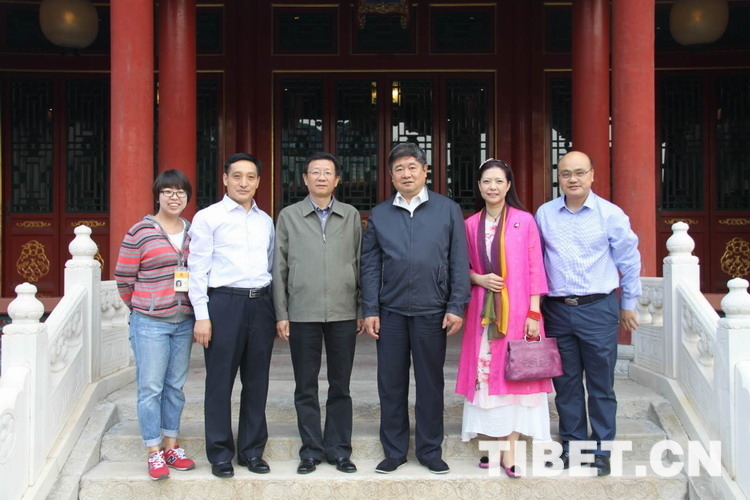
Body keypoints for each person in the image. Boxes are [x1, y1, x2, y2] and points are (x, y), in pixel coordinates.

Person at [361, 142, 471, 475]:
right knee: (390, 384)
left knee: (430, 384)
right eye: (399, 169)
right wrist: (370, 308)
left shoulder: (447, 209)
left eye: (412, 167)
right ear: (391, 175)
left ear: (425, 171)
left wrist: (456, 305)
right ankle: (394, 451)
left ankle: (429, 450)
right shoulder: (380, 214)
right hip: (391, 312)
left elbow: (459, 260)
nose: (406, 174)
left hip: (432, 311)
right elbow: (370, 265)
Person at [535, 150, 641, 477]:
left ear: (592, 175)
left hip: (598, 308)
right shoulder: (545, 214)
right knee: (565, 384)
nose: (573, 179)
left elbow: (629, 261)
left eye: (580, 172)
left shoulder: (611, 215)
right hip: (558, 310)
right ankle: (572, 446)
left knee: (600, 385)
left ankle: (603, 449)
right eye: (566, 173)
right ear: (559, 177)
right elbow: (535, 260)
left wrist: (629, 303)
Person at [455, 159, 552, 479]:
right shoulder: (471, 225)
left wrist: (534, 313)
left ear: (508, 185)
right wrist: (479, 279)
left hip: (519, 312)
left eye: (499, 181)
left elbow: (535, 268)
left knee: (512, 379)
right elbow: (462, 268)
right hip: (484, 315)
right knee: (486, 379)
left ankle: (509, 452)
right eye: (487, 181)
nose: (493, 187)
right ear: (479, 186)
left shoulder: (524, 221)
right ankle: (494, 447)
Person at [272, 152, 363, 475]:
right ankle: (310, 451)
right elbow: (279, 267)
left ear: (337, 179)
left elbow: (360, 262)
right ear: (305, 179)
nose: (321, 177)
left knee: (341, 385)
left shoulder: (350, 215)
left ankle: (339, 449)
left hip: (343, 312)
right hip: (302, 312)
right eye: (315, 172)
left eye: (327, 173)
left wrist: (361, 308)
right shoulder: (289, 216)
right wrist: (281, 312)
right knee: (305, 386)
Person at [188, 153, 276, 478]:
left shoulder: (265, 221)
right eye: (237, 176)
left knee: (257, 381)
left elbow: (270, 264)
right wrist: (202, 315)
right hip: (224, 304)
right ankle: (220, 453)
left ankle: (252, 451)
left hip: (260, 304)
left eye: (250, 177)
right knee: (220, 381)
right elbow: (197, 269)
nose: (243, 183)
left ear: (258, 182)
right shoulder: (208, 217)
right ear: (225, 179)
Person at [115, 169, 196, 480]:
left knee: (175, 386)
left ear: (187, 197)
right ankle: (153, 450)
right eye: (168, 192)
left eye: (180, 192)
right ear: (158, 195)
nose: (174, 198)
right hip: (150, 322)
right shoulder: (140, 232)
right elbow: (124, 278)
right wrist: (144, 305)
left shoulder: (193, 231)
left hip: (184, 320)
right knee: (151, 386)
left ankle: (171, 446)